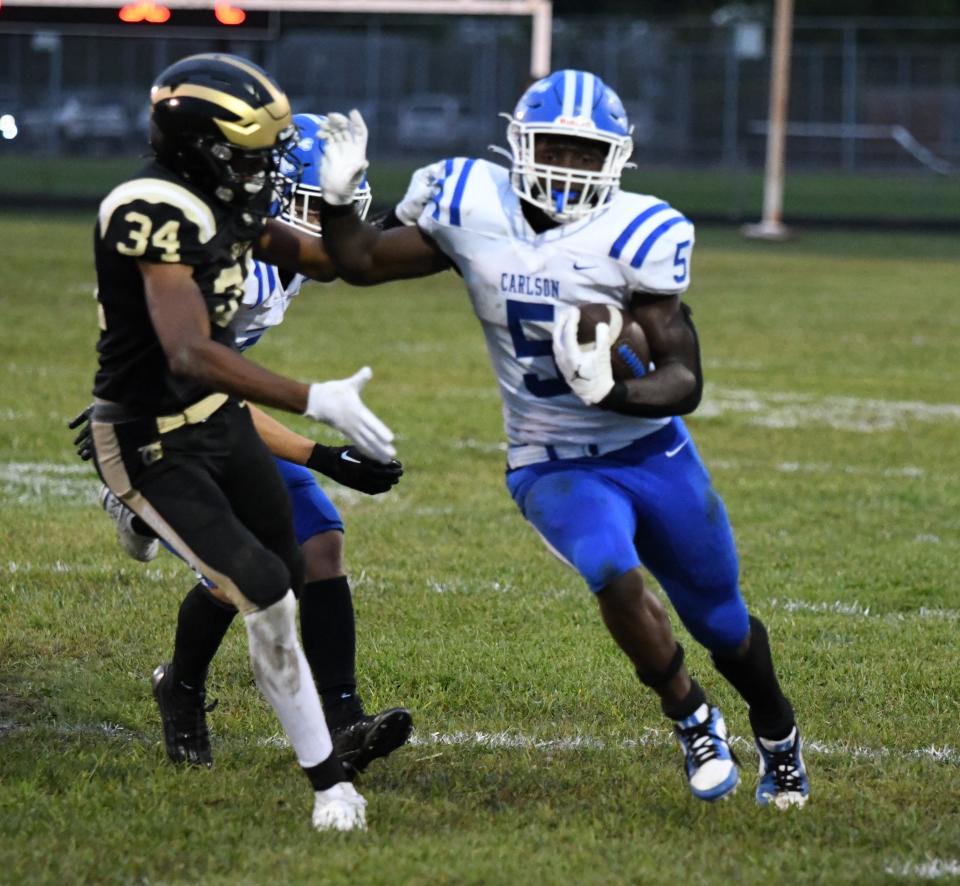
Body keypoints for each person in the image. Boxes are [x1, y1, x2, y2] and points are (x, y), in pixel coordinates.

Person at [313, 70, 810, 809]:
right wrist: (341, 200)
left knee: (722, 622)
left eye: (585, 152)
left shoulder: (639, 231)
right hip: (548, 456)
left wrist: (615, 390)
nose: (568, 167)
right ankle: (690, 715)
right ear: (519, 143)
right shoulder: (468, 202)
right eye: (555, 147)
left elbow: (685, 378)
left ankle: (777, 731)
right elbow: (359, 261)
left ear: (615, 157)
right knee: (609, 564)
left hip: (649, 449)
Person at [87, 52, 397, 831]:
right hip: (156, 431)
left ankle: (315, 714)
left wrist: (350, 208)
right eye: (257, 160)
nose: (263, 177)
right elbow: (196, 362)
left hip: (218, 416)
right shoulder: (155, 213)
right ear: (215, 155)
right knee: (264, 574)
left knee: (305, 551)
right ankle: (300, 753)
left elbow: (342, 259)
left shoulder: (241, 216)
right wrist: (319, 429)